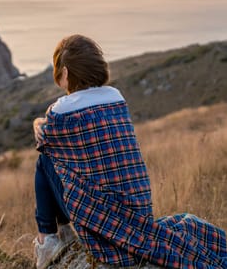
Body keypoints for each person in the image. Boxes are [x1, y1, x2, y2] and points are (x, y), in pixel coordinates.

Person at [32, 35, 227, 269]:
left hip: (101, 223)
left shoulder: (61, 111)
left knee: (45, 159)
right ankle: (60, 237)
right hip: (138, 212)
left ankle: (50, 239)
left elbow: (45, 137)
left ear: (65, 72)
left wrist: (37, 123)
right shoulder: (116, 98)